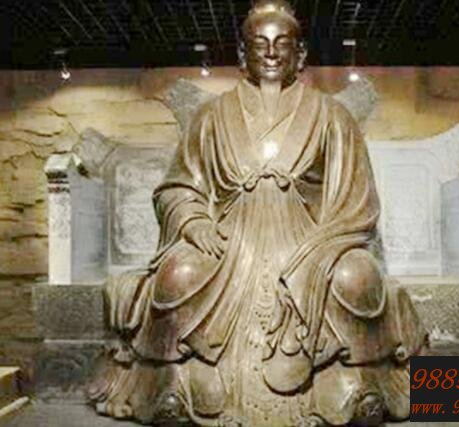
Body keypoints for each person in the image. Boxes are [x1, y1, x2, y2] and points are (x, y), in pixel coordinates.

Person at [88, 1, 425, 425]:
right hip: (228, 242)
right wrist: (195, 222)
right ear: (242, 53)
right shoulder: (211, 117)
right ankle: (176, 384)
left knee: (357, 279)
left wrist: (325, 246)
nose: (270, 52)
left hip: (309, 242)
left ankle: (355, 385)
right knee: (176, 277)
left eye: (282, 43)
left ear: (300, 54)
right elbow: (179, 186)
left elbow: (358, 200)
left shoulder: (332, 117)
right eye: (259, 43)